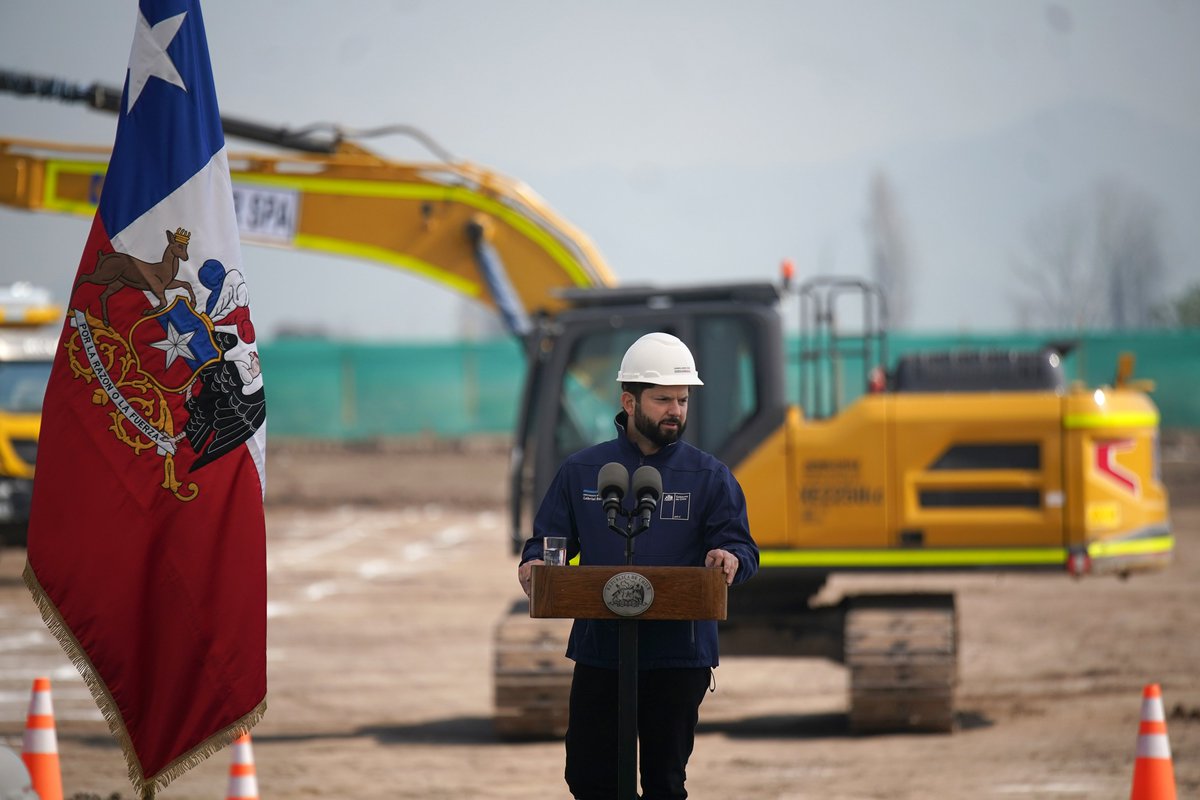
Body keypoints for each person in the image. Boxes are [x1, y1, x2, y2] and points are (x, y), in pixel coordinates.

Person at [517, 331, 759, 800]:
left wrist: (731, 559)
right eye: (663, 399)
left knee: (664, 783)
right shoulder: (582, 472)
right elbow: (547, 544)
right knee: (588, 779)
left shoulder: (710, 476)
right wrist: (534, 566)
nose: (676, 410)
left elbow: (743, 549)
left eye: (683, 399)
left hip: (677, 656)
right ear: (629, 401)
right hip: (600, 652)